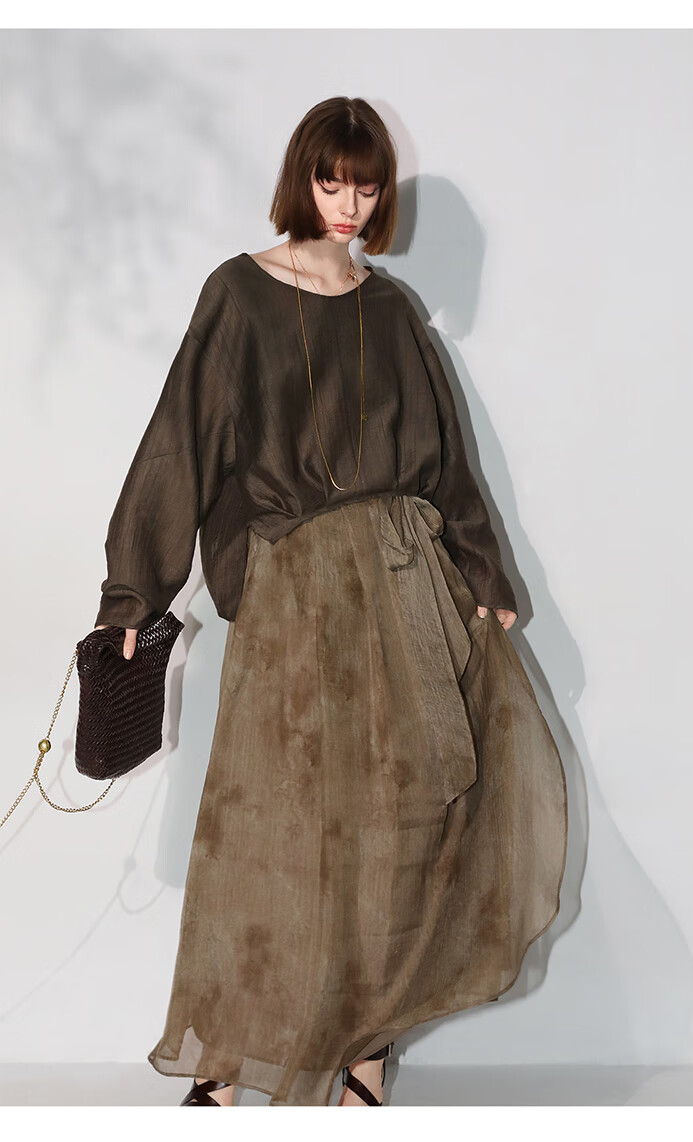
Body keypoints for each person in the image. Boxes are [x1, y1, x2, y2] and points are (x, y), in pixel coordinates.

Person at [94, 96, 568, 1107]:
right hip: (295, 591)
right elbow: (180, 441)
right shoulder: (240, 294)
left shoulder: (391, 310)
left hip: (404, 585)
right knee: (268, 821)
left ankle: (366, 1049)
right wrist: (133, 592)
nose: (349, 203)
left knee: (399, 823)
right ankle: (227, 1055)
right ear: (301, 181)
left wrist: (486, 573)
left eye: (366, 185)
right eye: (331, 181)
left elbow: (447, 460)